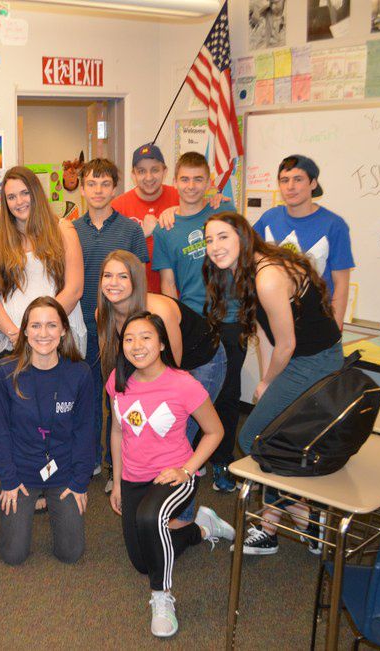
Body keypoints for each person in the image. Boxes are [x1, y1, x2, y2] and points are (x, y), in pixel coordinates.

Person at [204, 212, 342, 556]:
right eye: (209, 240)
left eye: (223, 237)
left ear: (243, 236)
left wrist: (268, 380)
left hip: (315, 361)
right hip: (304, 359)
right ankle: (277, 526)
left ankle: (302, 518)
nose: (215, 246)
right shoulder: (250, 270)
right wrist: (268, 382)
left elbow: (287, 344)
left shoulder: (267, 276)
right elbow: (265, 333)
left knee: (253, 438)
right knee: (274, 439)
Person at [106, 312, 234, 638]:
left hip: (175, 475)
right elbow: (118, 432)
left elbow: (215, 431)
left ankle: (162, 598)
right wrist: (117, 482)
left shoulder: (183, 384)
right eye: (129, 339)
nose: (137, 345)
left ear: (162, 343)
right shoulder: (118, 380)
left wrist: (187, 469)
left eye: (146, 337)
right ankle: (201, 528)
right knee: (142, 561)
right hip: (133, 477)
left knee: (150, 519)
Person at [0, 165, 85, 513]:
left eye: (24, 193)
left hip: (58, 334)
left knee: (55, 412)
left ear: (36, 193)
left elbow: (75, 287)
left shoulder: (63, 229)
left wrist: (46, 328)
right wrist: (17, 334)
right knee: (16, 416)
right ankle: (11, 481)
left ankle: (56, 482)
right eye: (11, 196)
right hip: (11, 337)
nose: (19, 201)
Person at [97, 250, 226, 495]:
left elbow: (172, 374)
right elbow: (118, 367)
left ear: (136, 281)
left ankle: (180, 503)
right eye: (107, 275)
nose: (113, 283)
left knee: (177, 432)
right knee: (146, 433)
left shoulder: (159, 311)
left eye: (123, 276)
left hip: (201, 358)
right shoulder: (103, 314)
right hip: (159, 363)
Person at [152, 152, 239, 492]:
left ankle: (222, 461)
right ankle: (187, 457)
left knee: (227, 393)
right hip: (191, 322)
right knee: (189, 395)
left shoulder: (223, 215)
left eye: (198, 179)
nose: (191, 186)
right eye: (185, 179)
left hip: (229, 317)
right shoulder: (166, 227)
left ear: (208, 182)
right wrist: (172, 326)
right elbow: (168, 284)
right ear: (175, 181)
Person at [0, 296, 97, 565]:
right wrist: (8, 480)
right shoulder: (5, 373)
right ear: (25, 331)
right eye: (36, 326)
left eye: (51, 325)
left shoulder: (80, 373)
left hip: (64, 470)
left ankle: (48, 501)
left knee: (71, 553)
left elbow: (85, 433)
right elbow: (0, 433)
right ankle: (22, 500)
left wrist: (79, 482)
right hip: (21, 471)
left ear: (63, 330)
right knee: (12, 555)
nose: (43, 333)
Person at [71, 158, 148, 480]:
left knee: (121, 397)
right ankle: (90, 458)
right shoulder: (71, 231)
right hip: (84, 329)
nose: (98, 190)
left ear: (115, 188)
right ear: (82, 188)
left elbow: (140, 282)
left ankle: (118, 461)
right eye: (91, 183)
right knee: (87, 398)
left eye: (105, 184)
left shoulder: (131, 230)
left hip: (122, 330)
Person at [253, 155, 354, 327]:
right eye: (284, 180)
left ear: (313, 183)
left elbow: (341, 284)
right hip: (274, 321)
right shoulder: (269, 218)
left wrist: (336, 330)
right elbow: (240, 245)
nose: (290, 187)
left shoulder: (334, 225)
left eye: (298, 179)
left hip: (315, 322)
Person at [111, 144, 180, 294]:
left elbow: (204, 207)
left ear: (165, 171)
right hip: (135, 297)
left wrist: (217, 199)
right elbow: (111, 256)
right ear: (133, 175)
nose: (149, 177)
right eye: (141, 171)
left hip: (178, 295)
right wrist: (140, 234)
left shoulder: (180, 197)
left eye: (155, 170)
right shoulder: (117, 207)